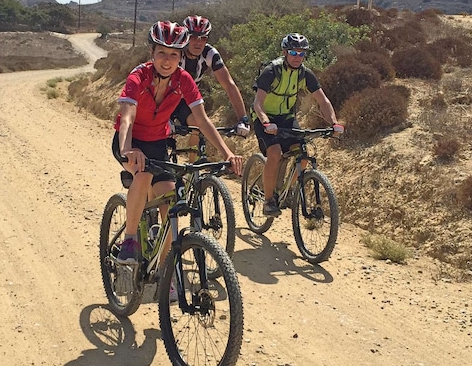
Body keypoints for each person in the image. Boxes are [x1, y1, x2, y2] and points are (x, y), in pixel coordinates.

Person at [113, 21, 244, 264]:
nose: (167, 60)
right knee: (143, 173)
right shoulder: (138, 76)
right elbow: (127, 117)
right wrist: (127, 149)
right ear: (152, 52)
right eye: (162, 52)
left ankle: (165, 270)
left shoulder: (184, 79)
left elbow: (202, 121)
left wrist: (227, 153)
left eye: (174, 54)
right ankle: (129, 240)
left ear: (181, 56)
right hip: (132, 141)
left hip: (157, 143)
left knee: (170, 203)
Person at [251, 33, 343, 217]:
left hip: (286, 118)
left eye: (301, 53)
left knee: (303, 156)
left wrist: (334, 123)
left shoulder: (304, 74)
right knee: (274, 153)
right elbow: (257, 103)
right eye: (293, 52)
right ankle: (268, 201)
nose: (297, 57)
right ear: (285, 52)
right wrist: (266, 122)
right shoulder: (272, 71)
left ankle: (285, 191)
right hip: (265, 118)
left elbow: (322, 101)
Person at [170, 15, 250, 146]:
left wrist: (243, 119)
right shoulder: (175, 51)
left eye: (203, 38)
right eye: (193, 37)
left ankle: (192, 158)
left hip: (187, 100)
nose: (198, 42)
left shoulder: (209, 53)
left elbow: (229, 85)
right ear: (185, 37)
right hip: (165, 98)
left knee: (197, 126)